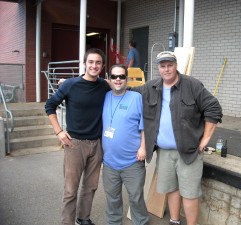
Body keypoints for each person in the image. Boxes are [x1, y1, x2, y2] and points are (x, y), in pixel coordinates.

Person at [133, 51, 223, 225]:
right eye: (162, 66)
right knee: (171, 189)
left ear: (176, 66)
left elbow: (213, 108)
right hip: (164, 152)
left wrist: (205, 139)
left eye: (170, 65)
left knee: (189, 193)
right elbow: (125, 90)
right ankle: (174, 221)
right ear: (158, 68)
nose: (166, 69)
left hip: (188, 152)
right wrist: (101, 82)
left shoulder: (192, 85)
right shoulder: (150, 87)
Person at [45, 48, 110, 225]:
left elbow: (117, 84)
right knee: (70, 189)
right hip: (75, 145)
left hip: (97, 144)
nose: (94, 66)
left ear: (102, 65)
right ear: (84, 63)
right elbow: (50, 106)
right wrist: (59, 131)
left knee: (90, 187)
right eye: (91, 62)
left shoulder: (104, 85)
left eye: (98, 63)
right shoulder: (70, 85)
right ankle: (67, 222)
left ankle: (83, 218)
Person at [101, 64, 149, 225]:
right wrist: (66, 81)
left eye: (121, 76)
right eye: (114, 76)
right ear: (109, 79)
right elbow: (87, 82)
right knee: (112, 199)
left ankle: (141, 222)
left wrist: (143, 147)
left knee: (136, 198)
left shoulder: (136, 98)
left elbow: (144, 126)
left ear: (126, 79)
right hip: (109, 163)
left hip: (132, 161)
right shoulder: (104, 96)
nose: (118, 79)